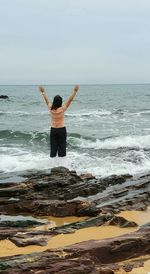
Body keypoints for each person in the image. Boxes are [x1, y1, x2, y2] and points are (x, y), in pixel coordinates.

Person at [39, 85, 79, 157]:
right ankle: (61, 164)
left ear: (54, 101)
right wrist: (75, 91)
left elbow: (46, 100)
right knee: (62, 148)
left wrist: (43, 92)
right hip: (62, 130)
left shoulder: (51, 108)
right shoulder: (62, 109)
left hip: (53, 130)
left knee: (53, 148)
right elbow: (70, 100)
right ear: (60, 102)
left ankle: (53, 164)